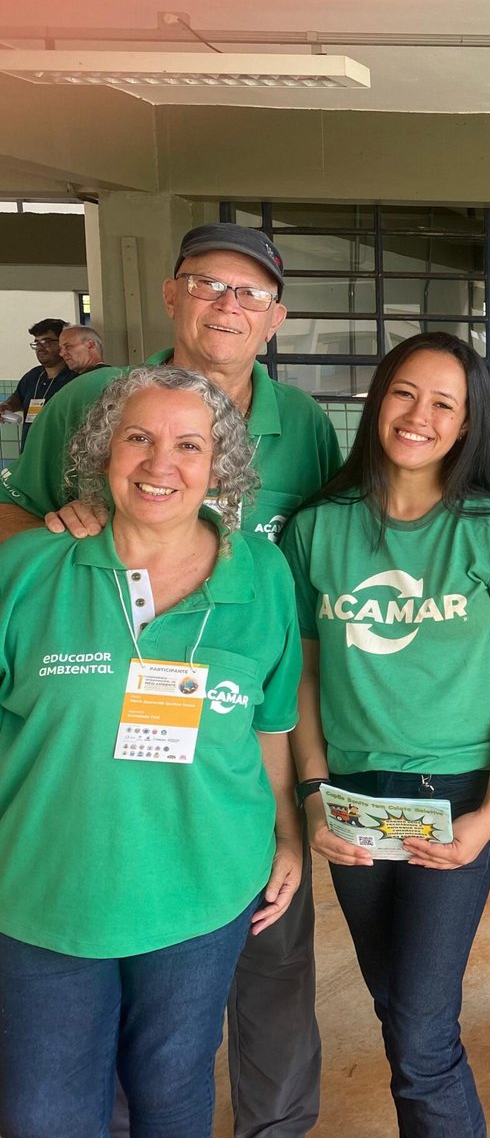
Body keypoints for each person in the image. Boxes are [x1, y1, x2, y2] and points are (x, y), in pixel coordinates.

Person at [0, 223, 340, 1137]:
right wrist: (51, 539)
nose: (161, 464)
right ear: (101, 450)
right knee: (46, 1102)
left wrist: (292, 826)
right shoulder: (33, 564)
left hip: (205, 863)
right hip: (49, 883)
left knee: (183, 1071)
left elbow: (273, 711)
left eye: (189, 447)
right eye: (139, 441)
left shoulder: (265, 561)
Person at [282, 333, 490, 1138]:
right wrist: (314, 792)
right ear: (378, 401)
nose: (419, 415)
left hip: (453, 797)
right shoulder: (318, 529)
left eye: (445, 403)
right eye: (405, 393)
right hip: (355, 796)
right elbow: (303, 675)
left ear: (468, 423)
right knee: (396, 1005)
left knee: (419, 1030)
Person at [1, 317, 74, 450]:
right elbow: (18, 398)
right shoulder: (33, 376)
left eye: (46, 342)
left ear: (63, 343)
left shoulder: (75, 378)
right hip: (30, 452)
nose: (40, 347)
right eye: (36, 343)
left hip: (60, 452)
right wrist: (6, 406)